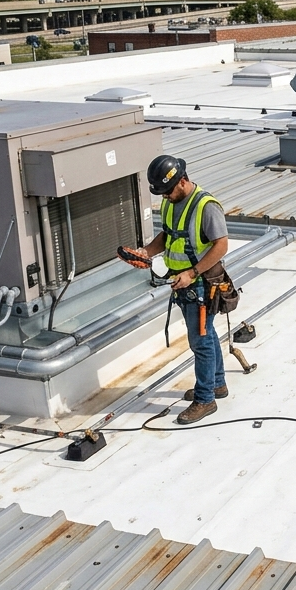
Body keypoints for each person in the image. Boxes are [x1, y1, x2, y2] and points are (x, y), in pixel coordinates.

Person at [124, 155, 230, 425]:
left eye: (168, 191)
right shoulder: (170, 202)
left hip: (201, 284)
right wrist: (145, 253)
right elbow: (168, 235)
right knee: (206, 334)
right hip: (182, 283)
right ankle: (217, 384)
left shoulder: (206, 206)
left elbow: (221, 246)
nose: (167, 197)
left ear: (182, 181)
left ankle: (206, 399)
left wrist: (192, 273)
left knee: (200, 342)